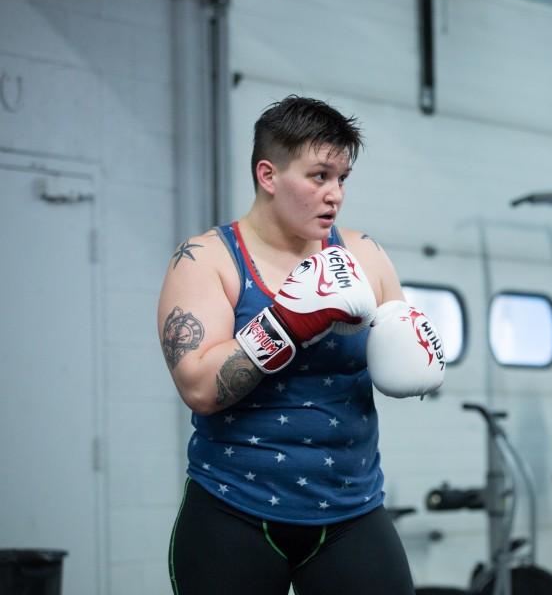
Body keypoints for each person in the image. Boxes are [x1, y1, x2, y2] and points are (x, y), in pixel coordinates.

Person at [157, 95, 443, 594]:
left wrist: (414, 355)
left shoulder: (364, 255)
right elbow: (199, 388)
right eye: (319, 176)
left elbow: (404, 352)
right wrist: (288, 321)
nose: (335, 195)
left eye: (342, 179)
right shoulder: (207, 260)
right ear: (268, 176)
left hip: (351, 513)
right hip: (234, 511)